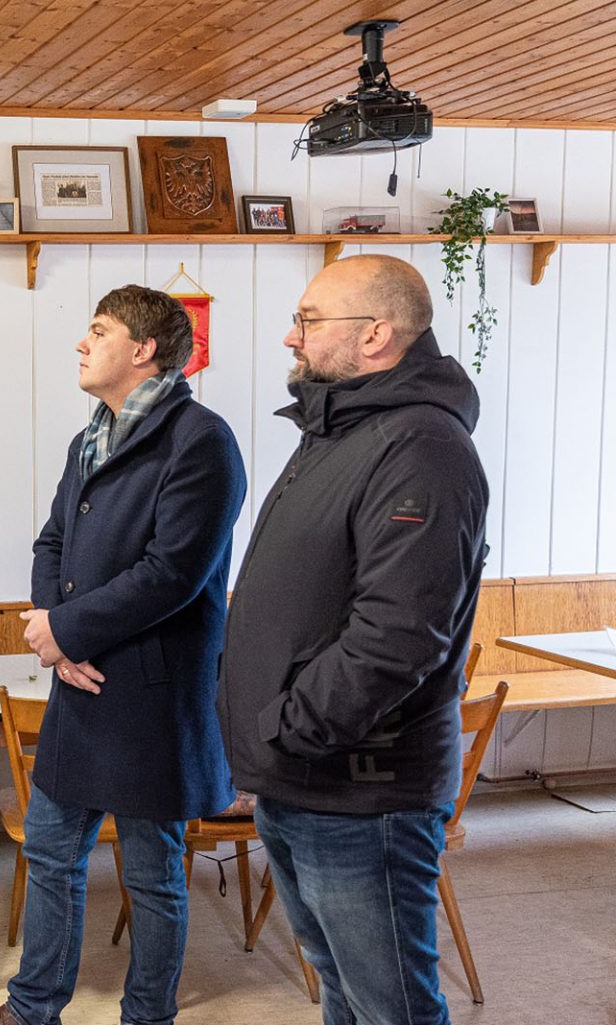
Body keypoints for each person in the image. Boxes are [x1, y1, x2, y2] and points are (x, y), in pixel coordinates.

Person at [218, 254, 489, 1025]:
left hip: (362, 789)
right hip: (301, 776)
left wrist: (286, 730)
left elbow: (397, 637)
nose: (288, 337)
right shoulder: (341, 427)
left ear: (376, 334)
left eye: (307, 320)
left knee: (390, 1007)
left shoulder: (422, 447)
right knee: (342, 987)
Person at [0, 286, 246, 1025]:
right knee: (50, 852)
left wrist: (67, 632)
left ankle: (148, 1016)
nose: (81, 343)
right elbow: (51, 543)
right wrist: (56, 630)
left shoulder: (201, 439)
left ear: (142, 349)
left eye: (96, 331)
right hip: (84, 680)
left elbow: (173, 572)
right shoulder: (90, 436)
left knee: (155, 873)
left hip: (152, 690)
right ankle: (34, 1008)